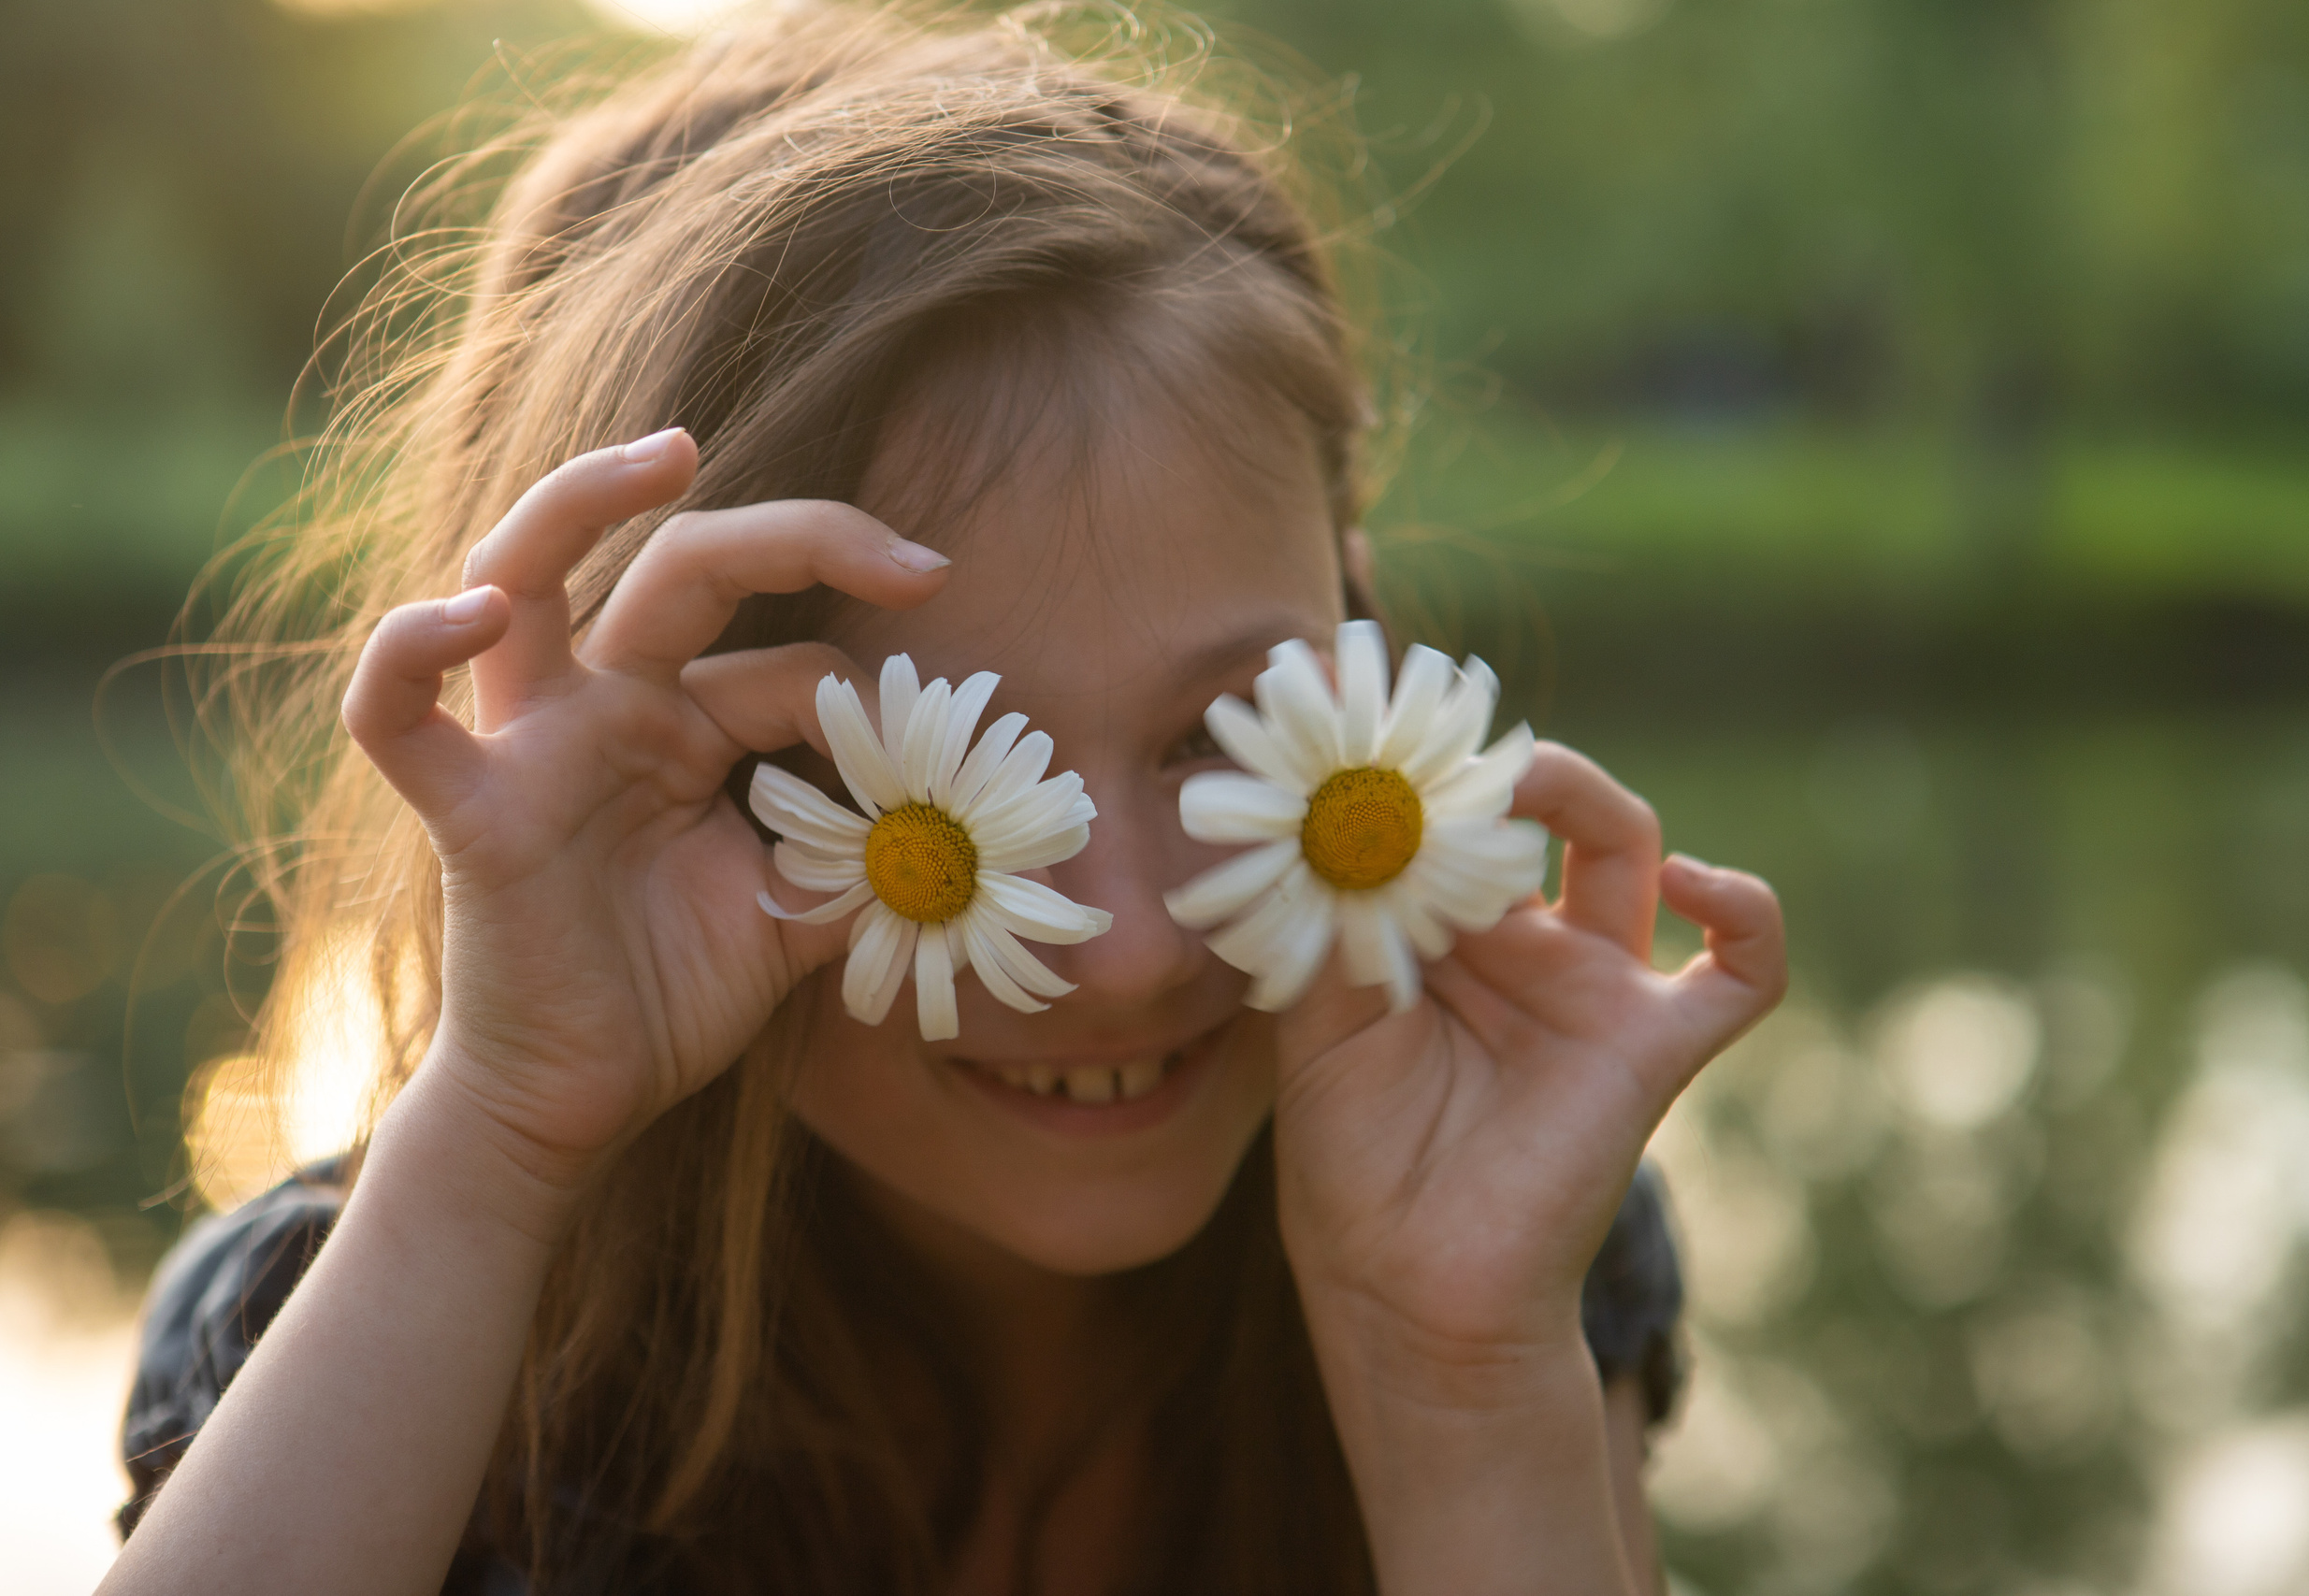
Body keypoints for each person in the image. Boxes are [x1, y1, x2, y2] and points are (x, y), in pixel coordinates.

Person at [105, 7, 1785, 1593]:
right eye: (930, 794)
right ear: (636, 785)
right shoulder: (355, 1333)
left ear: (1361, 647)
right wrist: (500, 1132)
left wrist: (1460, 1378)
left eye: (1222, 733)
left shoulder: (1501, 1221)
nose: (1121, 945)